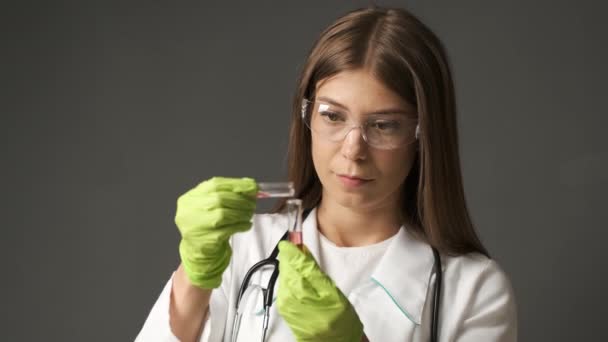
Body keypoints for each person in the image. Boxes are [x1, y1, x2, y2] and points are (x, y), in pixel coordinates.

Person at [136, 6, 517, 342]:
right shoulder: (243, 248)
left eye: (383, 125)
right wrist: (194, 276)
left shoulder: (472, 291)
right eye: (333, 116)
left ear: (423, 135)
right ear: (308, 115)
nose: (353, 149)